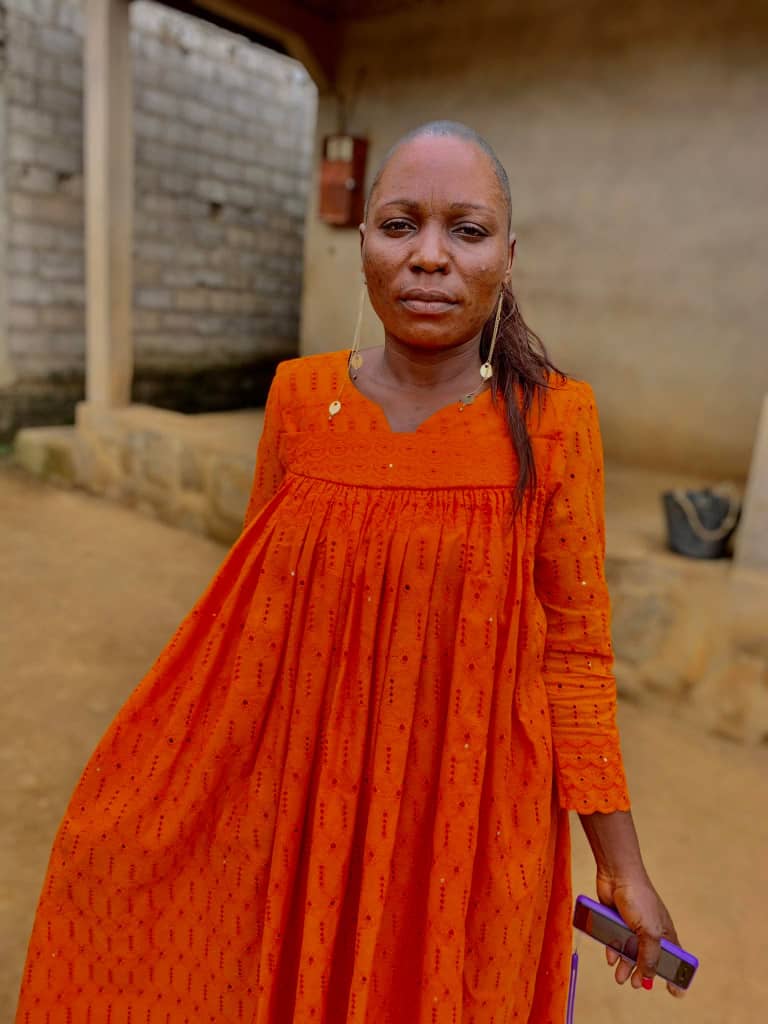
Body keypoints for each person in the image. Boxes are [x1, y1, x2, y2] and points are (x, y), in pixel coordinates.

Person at [16, 121, 682, 1023]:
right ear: (362, 242)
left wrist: (621, 863)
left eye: (467, 231)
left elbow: (576, 653)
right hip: (310, 803)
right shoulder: (299, 399)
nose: (430, 257)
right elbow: (255, 629)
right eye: (400, 225)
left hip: (469, 820)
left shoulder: (557, 422)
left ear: (508, 257)